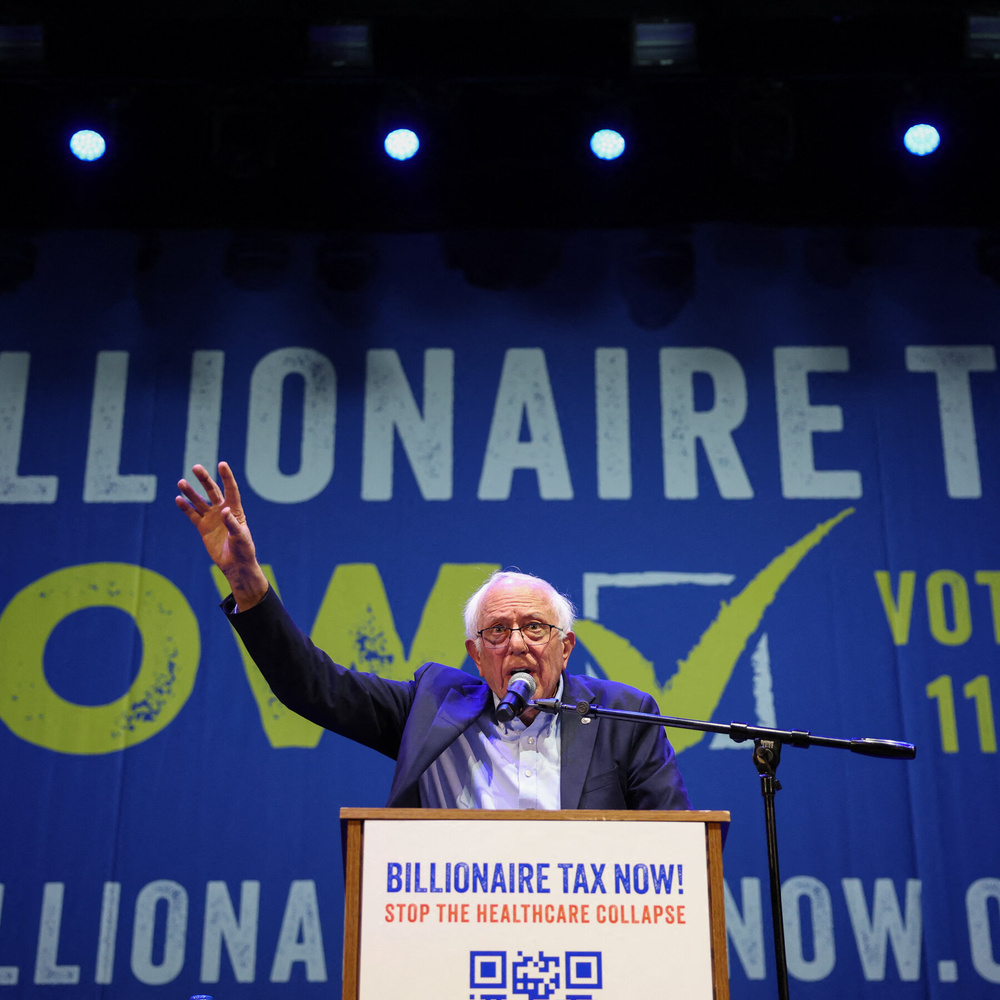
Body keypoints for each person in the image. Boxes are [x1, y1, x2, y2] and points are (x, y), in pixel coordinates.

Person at [176, 462, 691, 811]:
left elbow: (679, 854)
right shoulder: (432, 708)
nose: (517, 643)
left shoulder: (625, 718)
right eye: (497, 631)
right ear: (475, 653)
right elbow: (312, 686)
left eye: (535, 627)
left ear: (566, 644)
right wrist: (246, 581)